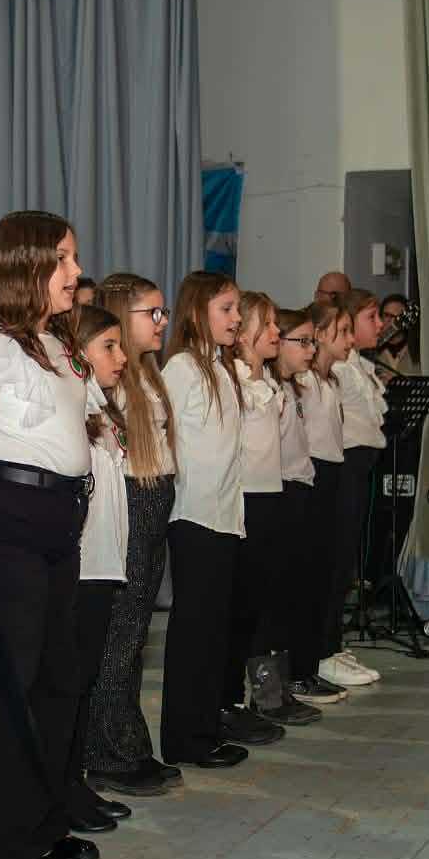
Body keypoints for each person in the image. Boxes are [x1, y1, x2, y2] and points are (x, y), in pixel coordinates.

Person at [0, 211, 100, 859]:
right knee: (4, 684)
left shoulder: (55, 344)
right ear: (26, 265)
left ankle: (43, 821)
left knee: (54, 676)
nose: (76, 272)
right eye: (62, 259)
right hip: (9, 520)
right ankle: (0, 841)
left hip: (59, 520)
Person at [82, 273, 184, 796]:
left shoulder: (147, 374)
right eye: (152, 313)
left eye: (164, 312)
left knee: (134, 634)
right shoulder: (113, 384)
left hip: (153, 498)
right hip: (132, 500)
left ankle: (127, 741)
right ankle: (109, 751)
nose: (162, 322)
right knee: (120, 634)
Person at [159, 271, 259, 768]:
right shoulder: (181, 368)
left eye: (237, 309)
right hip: (195, 515)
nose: (236, 318)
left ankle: (204, 727)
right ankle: (185, 739)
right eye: (227, 309)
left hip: (224, 516)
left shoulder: (220, 367)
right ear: (198, 312)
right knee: (194, 632)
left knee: (213, 631)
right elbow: (167, 439)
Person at [225, 292, 317, 727]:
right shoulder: (233, 380)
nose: (276, 332)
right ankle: (248, 696)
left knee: (270, 598)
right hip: (244, 499)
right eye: (267, 324)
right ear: (243, 333)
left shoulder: (270, 383)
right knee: (246, 603)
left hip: (273, 495)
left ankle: (271, 691)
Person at [67, 304, 136, 822]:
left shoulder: (104, 411)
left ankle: (76, 780)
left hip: (104, 563)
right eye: (108, 347)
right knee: (70, 682)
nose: (121, 357)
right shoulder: (74, 411)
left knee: (85, 679)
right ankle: (63, 788)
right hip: (81, 564)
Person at [271, 307, 339, 711]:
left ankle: (299, 672)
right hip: (281, 493)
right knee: (284, 595)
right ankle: (282, 682)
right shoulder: (273, 388)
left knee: (307, 587)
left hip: (302, 487)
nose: (311, 349)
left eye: (314, 341)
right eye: (303, 341)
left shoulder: (292, 386)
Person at [320, 289, 387, 689]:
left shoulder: (359, 365)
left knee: (345, 560)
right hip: (343, 468)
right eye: (370, 318)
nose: (379, 325)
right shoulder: (340, 371)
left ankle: (332, 642)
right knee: (335, 560)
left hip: (359, 468)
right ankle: (323, 648)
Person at [297, 299, 354, 705]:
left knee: (326, 573)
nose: (350, 340)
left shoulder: (329, 381)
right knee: (309, 576)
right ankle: (303, 665)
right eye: (343, 331)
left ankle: (315, 658)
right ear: (319, 335)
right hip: (312, 475)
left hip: (331, 472)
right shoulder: (304, 382)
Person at [373, 292, 421, 377]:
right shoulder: (372, 350)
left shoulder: (417, 352)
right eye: (386, 315)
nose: (389, 320)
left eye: (395, 317)